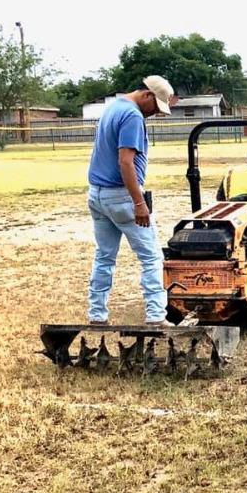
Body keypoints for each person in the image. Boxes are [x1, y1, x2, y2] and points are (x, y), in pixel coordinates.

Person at [86, 75, 175, 327]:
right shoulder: (133, 116)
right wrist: (139, 203)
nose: (156, 113)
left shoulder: (113, 107)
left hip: (97, 193)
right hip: (122, 196)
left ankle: (96, 314)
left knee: (104, 256)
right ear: (147, 95)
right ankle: (157, 316)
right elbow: (125, 162)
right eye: (156, 107)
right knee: (151, 257)